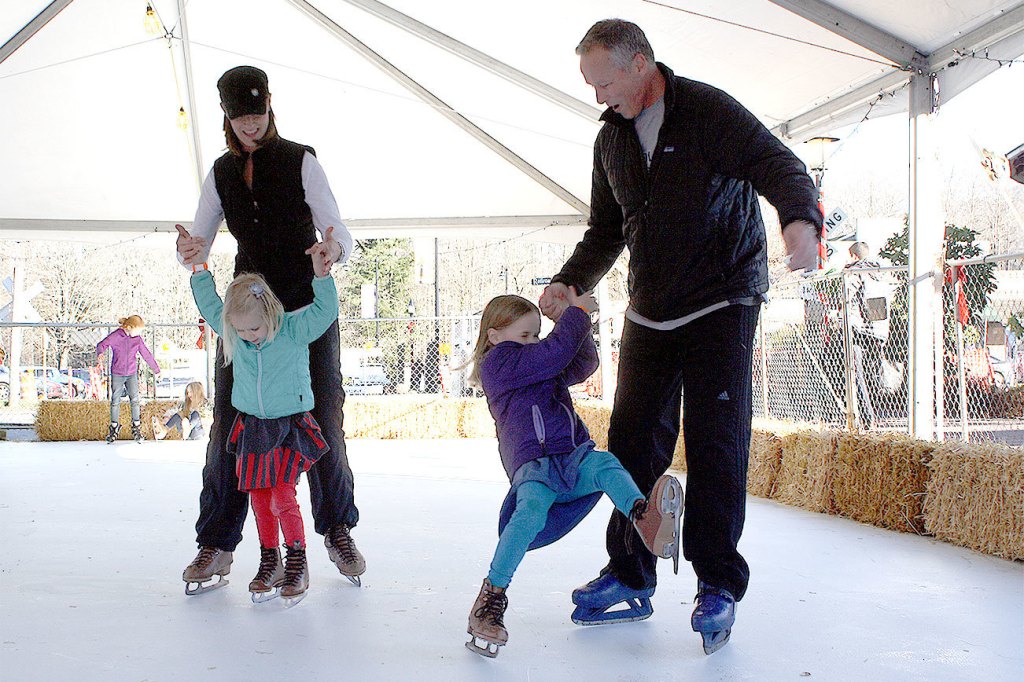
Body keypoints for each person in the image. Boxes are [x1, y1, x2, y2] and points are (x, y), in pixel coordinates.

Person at [538, 20, 822, 655]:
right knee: (631, 441)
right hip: (652, 306)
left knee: (716, 441)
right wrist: (568, 282)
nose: (597, 96)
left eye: (604, 82)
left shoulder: (706, 111)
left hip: (723, 296)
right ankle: (630, 572)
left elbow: (778, 165)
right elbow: (606, 229)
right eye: (590, 85)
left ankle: (717, 581)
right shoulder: (611, 138)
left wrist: (800, 221)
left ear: (640, 64)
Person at [175, 65, 364, 595]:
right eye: (241, 117)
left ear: (270, 106)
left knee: (323, 417)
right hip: (246, 319)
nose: (250, 124)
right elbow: (198, 241)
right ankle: (216, 541)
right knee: (229, 423)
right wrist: (189, 250)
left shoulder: (302, 160)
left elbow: (339, 231)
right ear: (226, 116)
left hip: (305, 309)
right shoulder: (220, 173)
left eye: (257, 113)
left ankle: (337, 529)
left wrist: (333, 250)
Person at [464, 292, 682, 658]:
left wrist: (571, 320)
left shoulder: (538, 364)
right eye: (524, 335)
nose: (533, 341)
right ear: (495, 336)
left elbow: (582, 363)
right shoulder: (499, 364)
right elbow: (554, 353)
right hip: (534, 464)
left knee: (605, 465)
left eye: (536, 334)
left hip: (571, 456)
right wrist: (576, 313)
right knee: (530, 513)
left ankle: (644, 518)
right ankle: (491, 598)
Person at [189, 247, 336, 605]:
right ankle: (270, 559)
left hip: (288, 426)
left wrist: (322, 276)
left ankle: (296, 558)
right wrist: (198, 268)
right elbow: (209, 304)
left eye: (253, 328)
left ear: (270, 313)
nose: (248, 335)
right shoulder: (236, 334)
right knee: (258, 496)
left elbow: (324, 312)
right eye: (240, 330)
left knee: (283, 495)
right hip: (253, 427)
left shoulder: (292, 331)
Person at [96, 315, 161, 444]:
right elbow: (101, 344)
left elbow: (146, 354)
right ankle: (114, 427)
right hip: (117, 373)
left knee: (135, 399)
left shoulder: (137, 339)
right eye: (138, 330)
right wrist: (100, 353)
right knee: (115, 400)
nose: (139, 333)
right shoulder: (116, 336)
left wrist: (156, 369)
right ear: (129, 327)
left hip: (131, 373)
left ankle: (136, 427)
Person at [845, 242, 891, 427]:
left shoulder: (855, 272)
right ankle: (877, 414)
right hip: (879, 329)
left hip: (858, 329)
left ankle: (866, 417)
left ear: (854, 256)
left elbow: (846, 296)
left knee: (857, 374)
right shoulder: (882, 272)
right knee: (873, 373)